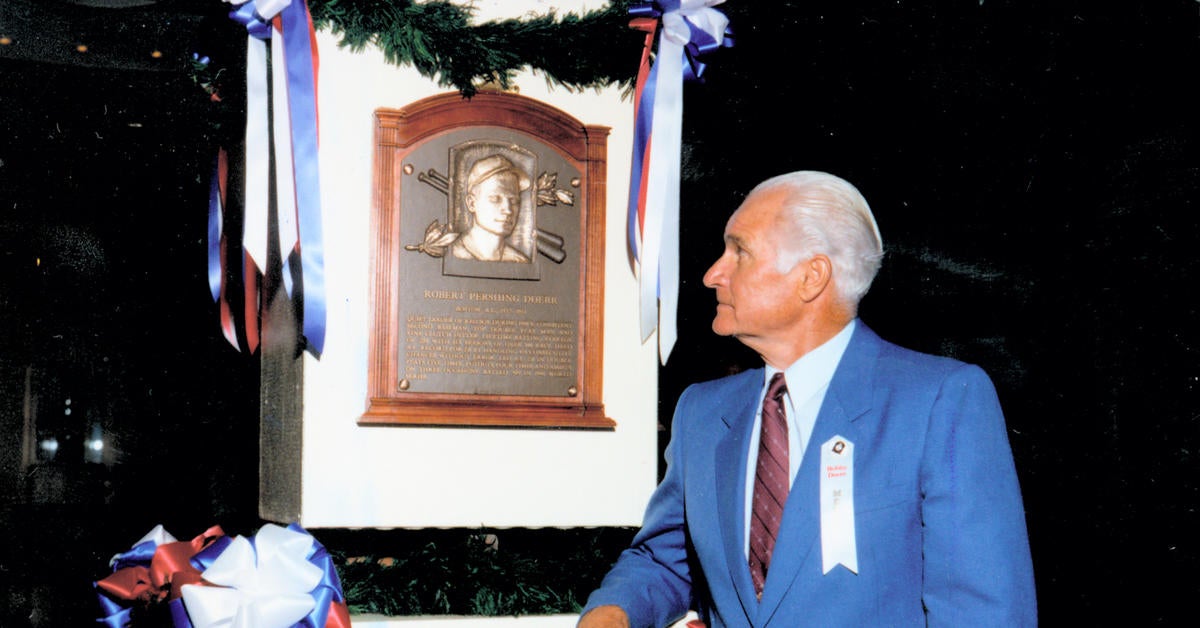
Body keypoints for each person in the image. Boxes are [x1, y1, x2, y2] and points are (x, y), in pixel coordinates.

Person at [578, 171, 1036, 627]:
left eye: (740, 251)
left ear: (811, 277)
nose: (712, 273)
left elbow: (984, 615)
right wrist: (614, 611)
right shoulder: (701, 413)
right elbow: (667, 559)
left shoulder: (940, 403)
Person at [449, 154, 532, 263]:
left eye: (514, 201)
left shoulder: (520, 261)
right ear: (472, 203)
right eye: (495, 198)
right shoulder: (454, 253)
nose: (508, 210)